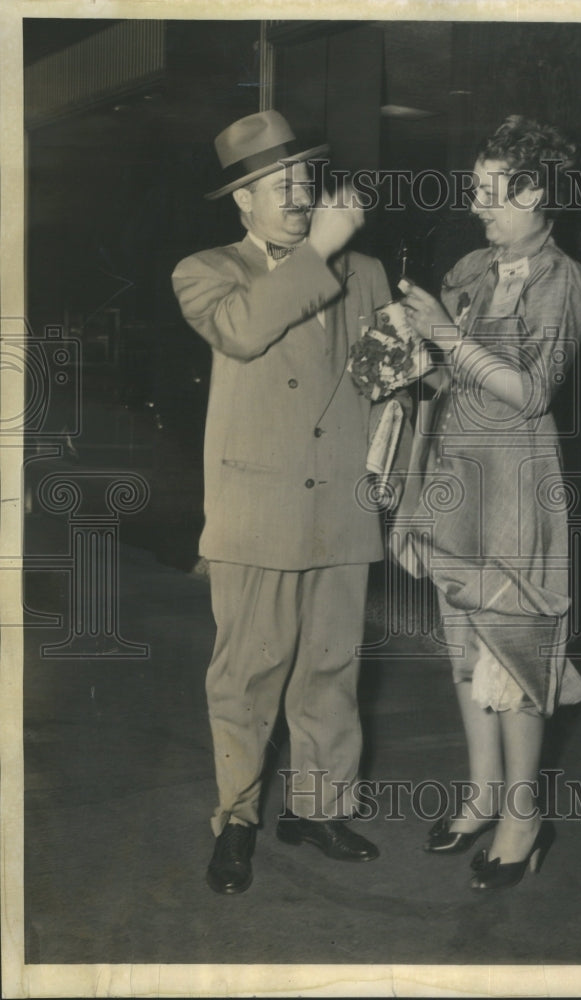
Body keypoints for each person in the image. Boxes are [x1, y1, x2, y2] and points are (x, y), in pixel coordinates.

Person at [172, 110, 392, 894]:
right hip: (256, 512)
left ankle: (319, 806)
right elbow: (241, 331)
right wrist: (324, 249)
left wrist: (420, 359)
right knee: (247, 676)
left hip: (339, 505)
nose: (300, 197)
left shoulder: (364, 272)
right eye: (281, 186)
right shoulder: (208, 270)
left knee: (330, 669)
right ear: (243, 201)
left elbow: (380, 381)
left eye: (306, 181)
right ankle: (236, 819)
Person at [398, 115, 581, 891]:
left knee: (513, 656)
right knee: (464, 652)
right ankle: (481, 798)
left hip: (515, 491)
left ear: (535, 190)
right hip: (455, 485)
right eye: (474, 189)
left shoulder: (561, 281)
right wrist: (406, 354)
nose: (477, 205)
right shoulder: (474, 266)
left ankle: (523, 819)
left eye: (491, 191)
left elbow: (530, 390)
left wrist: (445, 337)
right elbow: (446, 380)